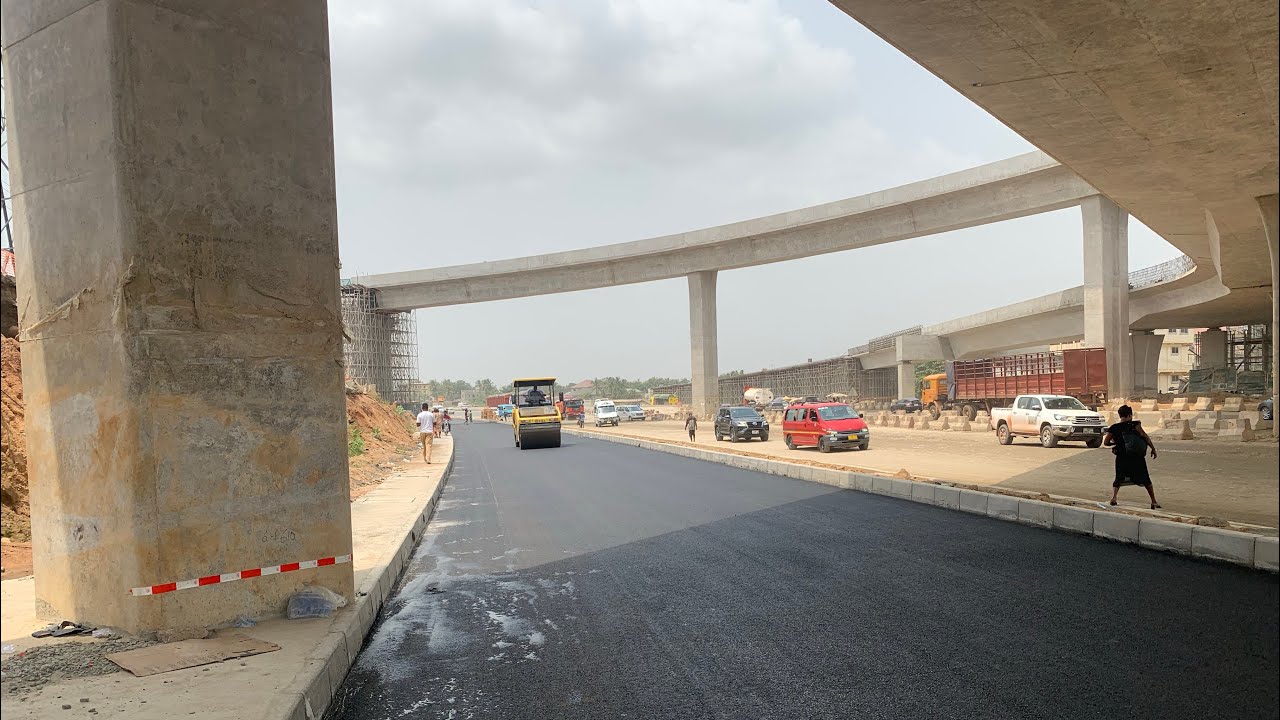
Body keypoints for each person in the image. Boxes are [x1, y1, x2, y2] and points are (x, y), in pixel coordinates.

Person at [1102, 404, 1161, 509]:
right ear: (1129, 415)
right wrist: (1153, 449)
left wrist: (1116, 443)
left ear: (1120, 415)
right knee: (1145, 479)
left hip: (1122, 457)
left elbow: (1106, 442)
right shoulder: (1135, 425)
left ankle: (1114, 498)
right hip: (1136, 457)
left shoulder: (1114, 428)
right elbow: (1145, 437)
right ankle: (1153, 501)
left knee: (1119, 477)